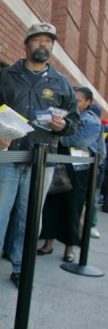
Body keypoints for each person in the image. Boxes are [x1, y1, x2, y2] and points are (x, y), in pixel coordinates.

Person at [0, 22, 81, 289]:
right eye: (38, 40)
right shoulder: (7, 76)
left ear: (52, 47)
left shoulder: (62, 84)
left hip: (42, 162)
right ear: (27, 44)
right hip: (8, 157)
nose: (43, 45)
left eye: (48, 41)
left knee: (30, 215)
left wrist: (63, 126)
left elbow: (75, 121)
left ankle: (21, 266)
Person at [38, 87, 102, 261]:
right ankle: (48, 244)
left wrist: (58, 132)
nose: (75, 102)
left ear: (88, 102)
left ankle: (69, 248)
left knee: (72, 209)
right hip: (57, 164)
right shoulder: (63, 115)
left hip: (78, 170)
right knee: (51, 205)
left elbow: (80, 140)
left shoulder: (92, 121)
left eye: (79, 100)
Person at [88, 102, 105, 238]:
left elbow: (102, 152)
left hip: (94, 170)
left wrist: (97, 167)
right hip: (80, 168)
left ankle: (91, 225)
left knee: (92, 200)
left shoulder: (97, 126)